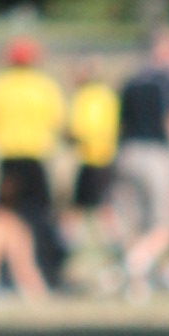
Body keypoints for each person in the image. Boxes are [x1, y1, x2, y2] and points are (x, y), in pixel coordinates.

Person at [0, 35, 66, 296]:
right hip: (35, 160)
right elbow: (58, 122)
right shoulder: (44, 86)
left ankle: (1, 274)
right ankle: (42, 272)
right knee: (38, 217)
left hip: (7, 162)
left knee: (4, 219)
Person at [110, 30, 169, 292]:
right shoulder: (166, 82)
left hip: (127, 153)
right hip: (157, 155)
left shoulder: (130, 81)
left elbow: (120, 124)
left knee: (134, 222)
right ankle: (136, 263)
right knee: (167, 223)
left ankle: (138, 284)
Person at [66, 61, 120, 279]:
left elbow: (78, 130)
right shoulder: (109, 95)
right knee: (103, 212)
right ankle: (116, 257)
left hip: (91, 159)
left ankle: (65, 254)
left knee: (83, 214)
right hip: (108, 158)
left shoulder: (84, 97)